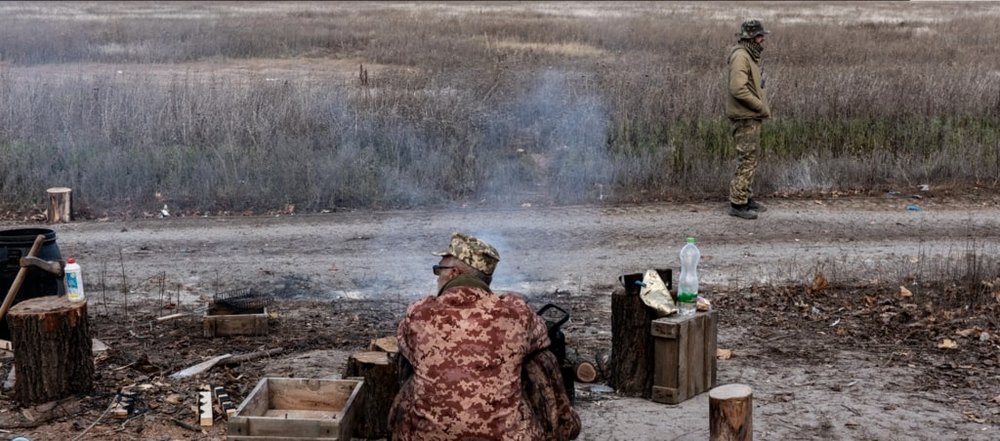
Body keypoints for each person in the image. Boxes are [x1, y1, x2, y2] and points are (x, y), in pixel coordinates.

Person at [389, 232, 580, 441]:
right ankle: (562, 428)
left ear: (454, 273)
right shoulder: (516, 312)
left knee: (412, 366)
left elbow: (406, 345)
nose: (437, 276)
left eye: (438, 270)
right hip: (508, 436)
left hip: (426, 436)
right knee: (538, 359)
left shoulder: (420, 312)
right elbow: (541, 338)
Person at [725, 19, 771, 220]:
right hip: (745, 117)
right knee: (747, 159)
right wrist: (759, 105)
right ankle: (738, 203)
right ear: (750, 38)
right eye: (759, 37)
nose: (762, 41)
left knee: (751, 159)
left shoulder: (748, 56)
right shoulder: (741, 57)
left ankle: (746, 197)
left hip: (749, 116)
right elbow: (737, 89)